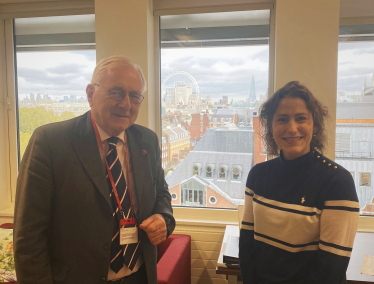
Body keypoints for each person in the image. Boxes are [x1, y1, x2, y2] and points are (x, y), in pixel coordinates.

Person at [13, 56, 175, 284]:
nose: (127, 104)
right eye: (116, 92)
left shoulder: (147, 141)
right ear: (90, 94)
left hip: (139, 277)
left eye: (135, 96)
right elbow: (28, 237)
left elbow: (161, 194)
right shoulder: (50, 142)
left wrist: (163, 217)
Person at [239, 81, 360, 284]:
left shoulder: (337, 182)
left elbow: (330, 268)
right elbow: (247, 243)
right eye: (282, 119)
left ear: (315, 124)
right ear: (271, 126)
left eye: (301, 118)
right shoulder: (258, 175)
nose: (292, 128)